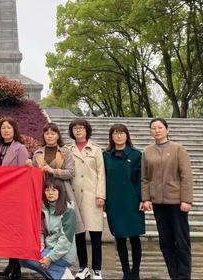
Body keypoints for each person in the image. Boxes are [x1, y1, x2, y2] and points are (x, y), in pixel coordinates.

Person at [141, 118, 193, 280]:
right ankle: (174, 274)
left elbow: (186, 176)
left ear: (167, 130)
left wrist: (187, 200)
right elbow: (144, 178)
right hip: (158, 203)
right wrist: (146, 198)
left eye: (160, 127)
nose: (157, 130)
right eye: (153, 128)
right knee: (165, 241)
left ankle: (184, 275)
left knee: (181, 240)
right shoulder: (147, 151)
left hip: (177, 202)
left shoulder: (178, 149)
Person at [103, 124, 145, 280]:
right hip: (114, 202)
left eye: (121, 133)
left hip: (132, 201)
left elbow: (141, 179)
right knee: (119, 237)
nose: (118, 136)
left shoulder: (136, 155)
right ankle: (126, 272)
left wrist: (142, 198)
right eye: (115, 133)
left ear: (127, 135)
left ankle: (136, 272)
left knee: (134, 237)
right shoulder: (106, 156)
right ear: (111, 136)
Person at [68, 119, 105, 280]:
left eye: (81, 128)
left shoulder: (96, 149)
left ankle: (97, 268)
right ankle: (83, 267)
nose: (78, 131)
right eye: (75, 128)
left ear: (87, 130)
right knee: (79, 234)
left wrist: (101, 195)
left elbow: (101, 173)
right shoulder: (68, 150)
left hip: (92, 195)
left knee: (96, 233)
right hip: (75, 196)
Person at [0, 117, 29, 279]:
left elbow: (23, 174)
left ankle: (17, 266)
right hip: (0, 195)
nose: (6, 130)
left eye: (9, 128)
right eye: (3, 128)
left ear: (14, 130)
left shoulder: (20, 148)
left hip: (15, 195)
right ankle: (10, 264)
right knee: (6, 231)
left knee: (14, 231)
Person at [32, 124, 84, 236]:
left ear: (58, 136)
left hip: (63, 191)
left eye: (53, 133)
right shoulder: (38, 153)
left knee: (65, 225)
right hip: (44, 192)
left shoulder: (65, 152)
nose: (49, 136)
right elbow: (34, 176)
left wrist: (53, 171)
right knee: (45, 224)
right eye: (47, 133)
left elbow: (71, 172)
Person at [19, 177, 76, 280]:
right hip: (49, 248)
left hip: (64, 254)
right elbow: (40, 231)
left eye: (54, 190)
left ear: (60, 192)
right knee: (23, 258)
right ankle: (57, 275)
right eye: (47, 190)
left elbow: (66, 241)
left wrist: (50, 257)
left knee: (32, 258)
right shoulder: (44, 208)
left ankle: (63, 274)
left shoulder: (68, 211)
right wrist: (39, 247)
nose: (50, 193)